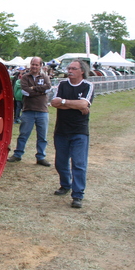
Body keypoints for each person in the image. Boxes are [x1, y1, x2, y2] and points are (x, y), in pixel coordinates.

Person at [50, 59, 94, 209]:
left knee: (79, 164)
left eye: (74, 68)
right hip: (61, 130)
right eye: (69, 68)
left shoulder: (88, 85)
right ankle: (65, 184)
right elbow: (53, 103)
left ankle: (77, 195)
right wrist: (73, 104)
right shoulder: (62, 84)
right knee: (60, 163)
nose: (70, 71)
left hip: (79, 131)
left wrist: (64, 103)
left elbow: (84, 104)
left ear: (82, 71)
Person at [8, 57, 52, 166]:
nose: (34, 66)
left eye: (37, 65)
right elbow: (25, 92)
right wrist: (40, 91)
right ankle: (17, 154)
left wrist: (33, 89)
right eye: (33, 64)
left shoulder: (45, 76)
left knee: (42, 137)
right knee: (23, 134)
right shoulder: (25, 77)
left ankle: (41, 157)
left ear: (40, 66)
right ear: (30, 65)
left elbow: (48, 88)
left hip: (42, 111)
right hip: (28, 111)